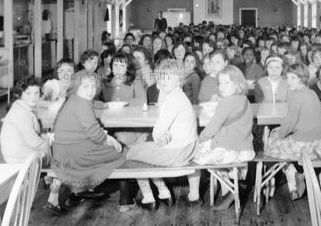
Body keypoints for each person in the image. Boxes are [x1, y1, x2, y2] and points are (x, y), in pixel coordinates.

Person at [126, 59, 201, 211]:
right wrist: (161, 137)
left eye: (169, 76)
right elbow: (163, 121)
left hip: (178, 153)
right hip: (189, 148)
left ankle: (148, 197)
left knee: (131, 153)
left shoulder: (173, 100)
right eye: (162, 76)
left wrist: (160, 137)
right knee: (146, 149)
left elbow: (157, 131)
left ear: (179, 80)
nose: (164, 80)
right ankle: (162, 192)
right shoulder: (178, 95)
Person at [47, 71, 124, 215]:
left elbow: (90, 131)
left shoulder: (74, 100)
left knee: (115, 149)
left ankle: (78, 188)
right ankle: (86, 186)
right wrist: (111, 140)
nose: (90, 90)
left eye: (93, 86)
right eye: (85, 87)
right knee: (121, 152)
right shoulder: (82, 103)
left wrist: (108, 139)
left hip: (62, 152)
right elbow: (95, 133)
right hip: (74, 154)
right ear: (76, 87)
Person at [194, 65, 255, 210]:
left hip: (229, 150)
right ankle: (227, 189)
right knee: (208, 153)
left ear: (238, 84)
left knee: (198, 156)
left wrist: (200, 138)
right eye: (220, 83)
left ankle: (230, 188)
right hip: (245, 149)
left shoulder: (226, 102)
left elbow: (213, 127)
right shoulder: (244, 100)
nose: (222, 87)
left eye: (226, 83)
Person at [265, 64, 321, 199]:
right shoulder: (312, 92)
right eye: (288, 78)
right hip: (319, 143)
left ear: (302, 78)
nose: (289, 81)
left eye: (293, 78)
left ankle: (291, 174)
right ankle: (293, 180)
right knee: (282, 137)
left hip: (303, 147)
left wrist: (279, 135)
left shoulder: (295, 95)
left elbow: (290, 121)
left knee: (269, 142)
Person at [0, 76, 51, 164]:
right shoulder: (21, 113)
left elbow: (34, 133)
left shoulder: (23, 107)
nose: (33, 97)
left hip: (21, 153)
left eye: (36, 93)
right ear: (20, 94)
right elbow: (34, 142)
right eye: (28, 93)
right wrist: (50, 145)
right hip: (18, 159)